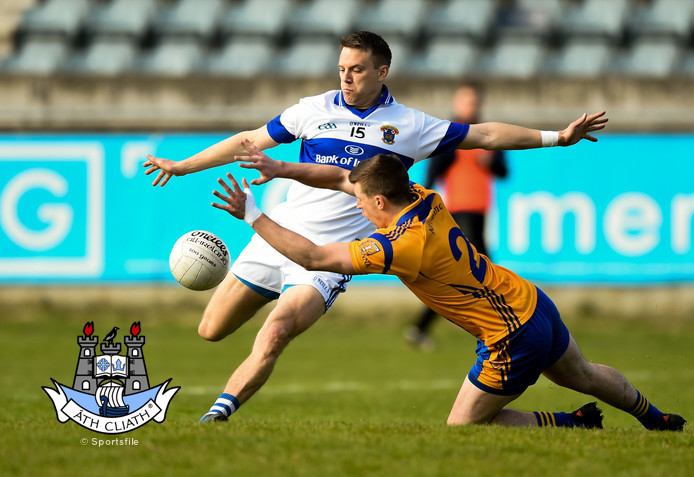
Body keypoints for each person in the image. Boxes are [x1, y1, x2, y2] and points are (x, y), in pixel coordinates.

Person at [143, 31, 608, 423]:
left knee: (276, 330)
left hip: (325, 260)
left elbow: (483, 135)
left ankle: (216, 416)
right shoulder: (312, 109)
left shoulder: (409, 125)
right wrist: (184, 166)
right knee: (211, 330)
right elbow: (249, 140)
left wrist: (557, 138)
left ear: (382, 72)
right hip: (277, 233)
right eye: (342, 68)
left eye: (357, 69)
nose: (346, 77)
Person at [210, 150, 686, 430]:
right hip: (530, 301)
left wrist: (253, 214)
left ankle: (568, 424)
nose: (359, 210)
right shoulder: (424, 198)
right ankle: (656, 417)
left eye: (361, 203)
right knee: (582, 372)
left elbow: (314, 258)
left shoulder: (400, 247)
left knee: (461, 429)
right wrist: (286, 169)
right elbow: (347, 180)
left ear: (379, 201)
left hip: (508, 337)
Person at [406, 83, 508, 350]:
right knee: (482, 270)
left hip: (480, 209)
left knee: (467, 272)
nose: (470, 107)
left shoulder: (489, 136)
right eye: (466, 102)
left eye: (474, 102)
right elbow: (433, 172)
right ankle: (495, 328)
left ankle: (421, 328)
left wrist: (492, 163)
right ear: (457, 104)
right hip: (458, 210)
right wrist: (424, 204)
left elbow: (504, 171)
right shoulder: (452, 137)